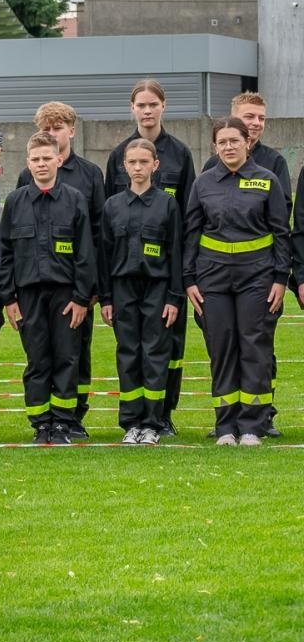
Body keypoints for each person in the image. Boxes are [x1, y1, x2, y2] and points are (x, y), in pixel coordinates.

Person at [184, 116, 291, 446]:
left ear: (248, 142)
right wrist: (189, 279)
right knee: (222, 347)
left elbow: (281, 233)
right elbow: (190, 234)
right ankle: (225, 426)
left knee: (254, 346)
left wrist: (279, 278)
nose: (228, 146)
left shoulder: (267, 180)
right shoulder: (203, 184)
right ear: (214, 146)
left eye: (235, 140)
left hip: (257, 278)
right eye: (222, 142)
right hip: (212, 279)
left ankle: (252, 426)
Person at [103, 80, 195, 434]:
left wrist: (179, 284)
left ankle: (161, 416)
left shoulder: (180, 154)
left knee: (166, 350)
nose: (146, 110)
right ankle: (135, 420)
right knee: (130, 352)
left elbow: (188, 219)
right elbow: (110, 224)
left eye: (152, 104)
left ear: (163, 106)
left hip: (163, 275)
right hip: (126, 274)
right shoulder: (117, 156)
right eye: (140, 104)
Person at [14, 102, 106, 438]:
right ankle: (44, 422)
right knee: (40, 356)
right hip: (34, 285)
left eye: (57, 128)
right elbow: (14, 239)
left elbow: (95, 234)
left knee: (75, 353)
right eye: (46, 129)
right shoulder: (26, 182)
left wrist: (90, 289)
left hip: (75, 285)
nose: (51, 134)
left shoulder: (90, 174)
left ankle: (72, 417)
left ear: (71, 131)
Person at [0, 133, 95, 445]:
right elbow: (5, 253)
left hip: (66, 296)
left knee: (67, 358)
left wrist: (82, 298)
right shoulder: (15, 203)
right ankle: (41, 424)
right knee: (38, 361)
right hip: (28, 296)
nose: (41, 164)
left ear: (59, 160)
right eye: (35, 159)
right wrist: (8, 298)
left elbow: (85, 253)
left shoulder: (74, 199)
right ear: (28, 163)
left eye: (46, 158)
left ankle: (64, 424)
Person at [100, 139, 182, 445]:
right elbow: (104, 257)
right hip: (123, 289)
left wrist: (175, 297)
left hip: (157, 289)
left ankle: (152, 422)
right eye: (132, 162)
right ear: (124, 166)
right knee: (128, 354)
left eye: (143, 162)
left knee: (155, 354)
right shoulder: (112, 206)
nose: (138, 168)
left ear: (155, 165)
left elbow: (175, 252)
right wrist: (106, 298)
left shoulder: (167, 204)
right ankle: (131, 423)